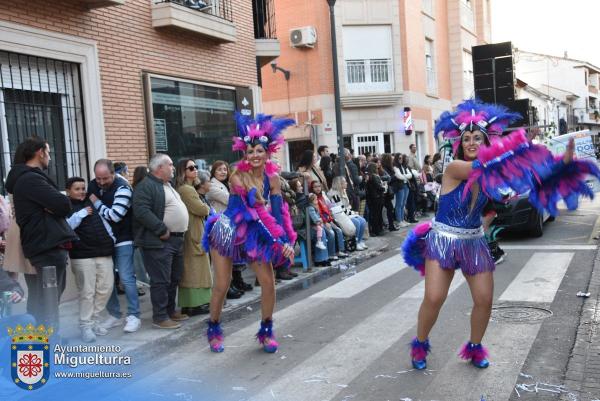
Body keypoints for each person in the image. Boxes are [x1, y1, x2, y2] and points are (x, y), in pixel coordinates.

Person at [402, 99, 600, 371]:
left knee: (484, 300)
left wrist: (558, 162)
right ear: (460, 143)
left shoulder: (493, 176)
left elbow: (525, 178)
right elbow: (488, 169)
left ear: (485, 143)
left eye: (477, 138)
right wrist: (522, 148)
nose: (472, 142)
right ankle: (420, 343)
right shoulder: (454, 168)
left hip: (473, 242)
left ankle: (474, 348)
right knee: (434, 298)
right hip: (444, 240)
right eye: (467, 138)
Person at [203, 113, 296, 353]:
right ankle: (213, 327)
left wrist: (285, 241)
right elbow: (253, 215)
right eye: (250, 151)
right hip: (228, 232)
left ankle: (266, 331)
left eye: (259, 151)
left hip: (255, 233)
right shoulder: (237, 177)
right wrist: (276, 241)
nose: (254, 155)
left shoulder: (273, 178)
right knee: (222, 285)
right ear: (245, 153)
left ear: (267, 152)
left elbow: (277, 214)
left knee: (268, 283)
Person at [5, 137, 77, 328]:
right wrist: (52, 207)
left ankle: (40, 349)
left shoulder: (25, 179)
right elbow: (64, 205)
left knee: (41, 302)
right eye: (49, 152)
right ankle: (47, 349)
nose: (50, 157)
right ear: (40, 152)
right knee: (47, 306)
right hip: (47, 247)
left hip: (41, 246)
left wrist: (50, 207)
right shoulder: (31, 179)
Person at [133, 154, 189, 329]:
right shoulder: (146, 186)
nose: (173, 168)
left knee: (173, 278)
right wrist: (161, 229)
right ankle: (160, 317)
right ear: (159, 168)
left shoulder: (167, 185)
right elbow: (141, 211)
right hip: (159, 242)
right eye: (170, 165)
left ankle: (170, 311)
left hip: (176, 241)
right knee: (161, 280)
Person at [88, 159, 141, 333]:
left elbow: (115, 215)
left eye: (105, 178)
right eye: (98, 179)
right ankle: (114, 315)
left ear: (113, 173)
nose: (101, 183)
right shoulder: (92, 185)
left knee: (126, 278)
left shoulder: (123, 188)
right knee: (107, 280)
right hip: (103, 241)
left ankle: (134, 315)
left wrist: (96, 202)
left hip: (123, 239)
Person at [65, 177, 115, 342]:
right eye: (77, 189)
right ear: (68, 191)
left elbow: (103, 222)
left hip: (103, 251)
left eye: (83, 188)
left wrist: (111, 238)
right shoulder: (65, 206)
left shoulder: (91, 202)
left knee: (106, 288)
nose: (81, 191)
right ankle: (86, 326)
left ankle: (93, 319)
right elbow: (66, 228)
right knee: (87, 292)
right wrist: (81, 213)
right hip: (82, 255)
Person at [205, 161, 249, 299]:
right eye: (219, 170)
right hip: (220, 224)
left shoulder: (226, 184)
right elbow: (230, 200)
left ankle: (233, 284)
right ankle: (224, 288)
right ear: (213, 171)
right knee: (221, 260)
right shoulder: (212, 186)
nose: (223, 172)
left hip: (230, 223)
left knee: (231, 257)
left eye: (225, 169)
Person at [175, 160, 212, 317]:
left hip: (193, 231)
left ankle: (195, 304)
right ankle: (194, 305)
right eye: (191, 168)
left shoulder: (187, 189)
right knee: (195, 269)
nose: (195, 170)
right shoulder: (186, 190)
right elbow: (201, 208)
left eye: (195, 167)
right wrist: (206, 208)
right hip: (193, 233)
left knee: (197, 268)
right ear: (183, 172)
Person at [310, 181, 348, 260]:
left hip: (328, 219)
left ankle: (340, 250)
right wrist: (325, 222)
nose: (318, 188)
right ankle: (331, 253)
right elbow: (318, 213)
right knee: (331, 233)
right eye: (315, 187)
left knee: (339, 230)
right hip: (320, 222)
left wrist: (330, 219)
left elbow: (328, 209)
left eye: (319, 186)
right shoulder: (313, 198)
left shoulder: (322, 197)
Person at [328, 176, 368, 250]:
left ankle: (359, 241)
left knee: (363, 221)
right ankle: (354, 242)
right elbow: (341, 208)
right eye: (344, 182)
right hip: (340, 216)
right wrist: (353, 213)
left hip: (346, 213)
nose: (346, 183)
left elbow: (348, 206)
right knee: (357, 222)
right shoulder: (334, 195)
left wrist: (352, 212)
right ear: (340, 184)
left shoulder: (343, 191)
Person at [365, 162, 385, 236]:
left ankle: (377, 229)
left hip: (375, 197)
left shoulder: (371, 176)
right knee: (376, 214)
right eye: (376, 168)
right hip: (376, 197)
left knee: (376, 214)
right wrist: (383, 188)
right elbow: (378, 186)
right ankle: (377, 230)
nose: (377, 169)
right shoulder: (373, 176)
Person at [380, 154, 399, 231]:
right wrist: (394, 177)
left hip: (389, 191)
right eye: (391, 159)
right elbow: (389, 178)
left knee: (390, 208)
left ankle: (391, 225)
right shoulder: (384, 168)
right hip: (386, 191)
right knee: (388, 208)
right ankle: (389, 225)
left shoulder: (388, 168)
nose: (392, 161)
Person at [393, 154, 411, 227]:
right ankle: (399, 220)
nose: (401, 159)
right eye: (399, 158)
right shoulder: (395, 167)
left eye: (402, 158)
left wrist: (404, 176)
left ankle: (403, 219)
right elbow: (399, 176)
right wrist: (405, 176)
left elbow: (410, 175)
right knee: (399, 204)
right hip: (400, 186)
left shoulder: (404, 166)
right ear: (397, 159)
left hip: (406, 185)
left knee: (403, 204)